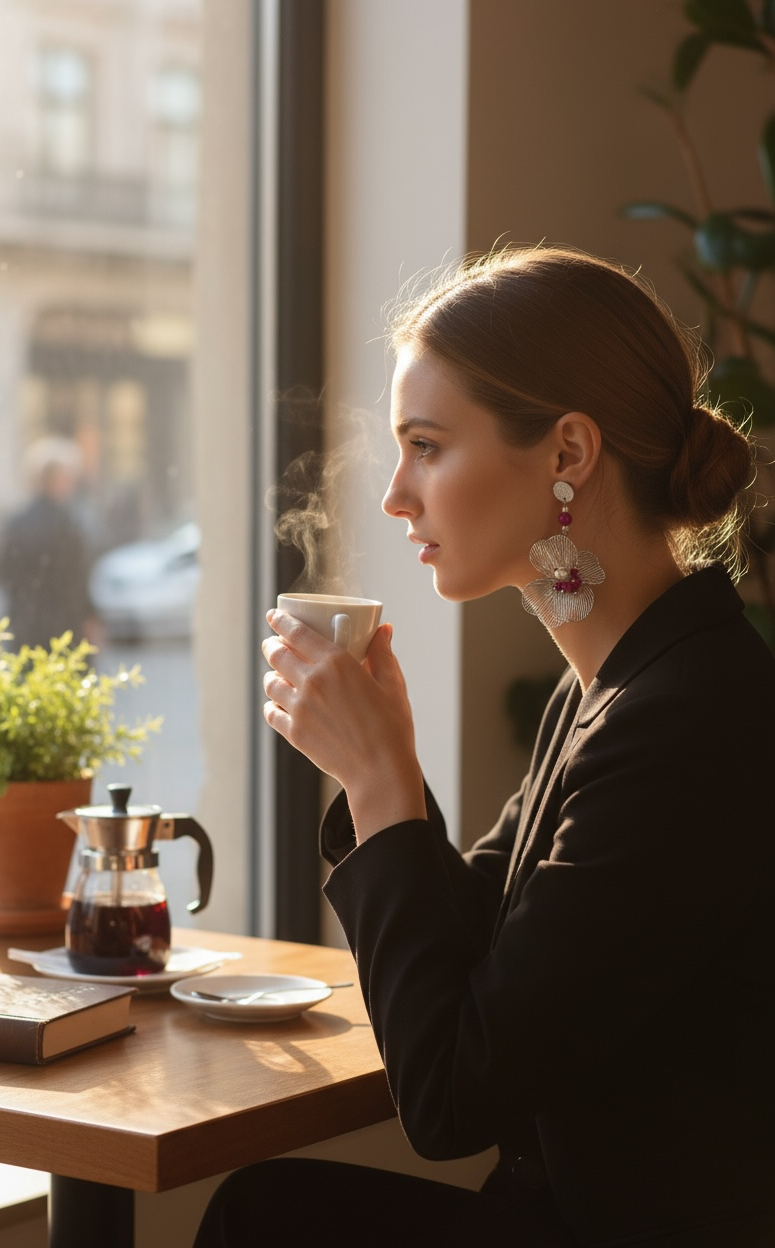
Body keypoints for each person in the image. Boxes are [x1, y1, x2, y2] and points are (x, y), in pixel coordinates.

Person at [193, 246, 775, 1247]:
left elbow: (456, 1099)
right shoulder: (608, 684)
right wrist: (386, 763)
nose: (395, 497)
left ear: (566, 455)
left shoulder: (688, 716)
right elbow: (495, 959)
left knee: (265, 1220)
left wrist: (379, 786)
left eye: (426, 445)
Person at [0, 436, 99, 649]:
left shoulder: (16, 523)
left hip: (25, 629)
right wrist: (90, 618)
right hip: (65, 632)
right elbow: (78, 582)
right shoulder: (69, 524)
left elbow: (5, 576)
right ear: (56, 479)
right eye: (68, 477)